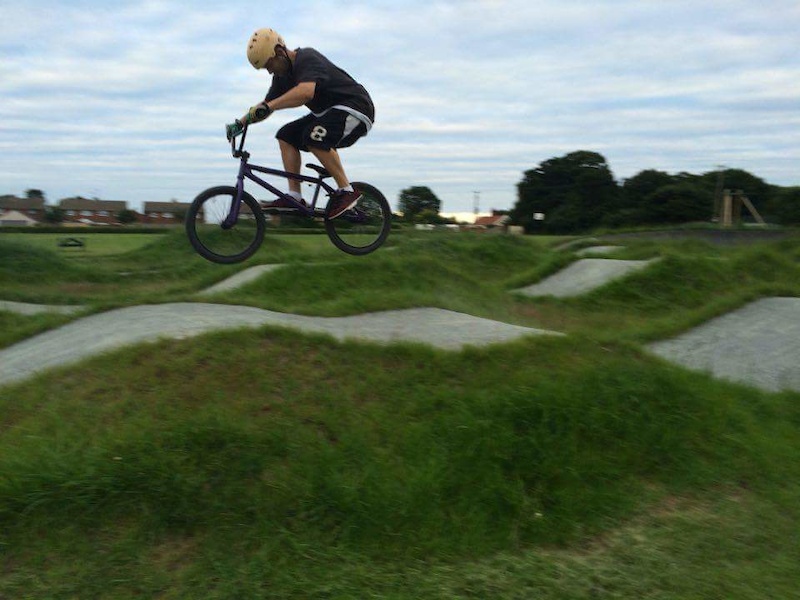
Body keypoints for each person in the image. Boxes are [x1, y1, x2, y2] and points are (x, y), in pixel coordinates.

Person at [226, 28, 375, 219]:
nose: (270, 70)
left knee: (313, 136)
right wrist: (240, 123)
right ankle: (295, 197)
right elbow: (264, 107)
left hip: (356, 108)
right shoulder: (281, 78)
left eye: (270, 65)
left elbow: (305, 92)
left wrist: (270, 106)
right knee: (285, 135)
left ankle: (347, 191)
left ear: (280, 52)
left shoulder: (307, 58)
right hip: (329, 114)